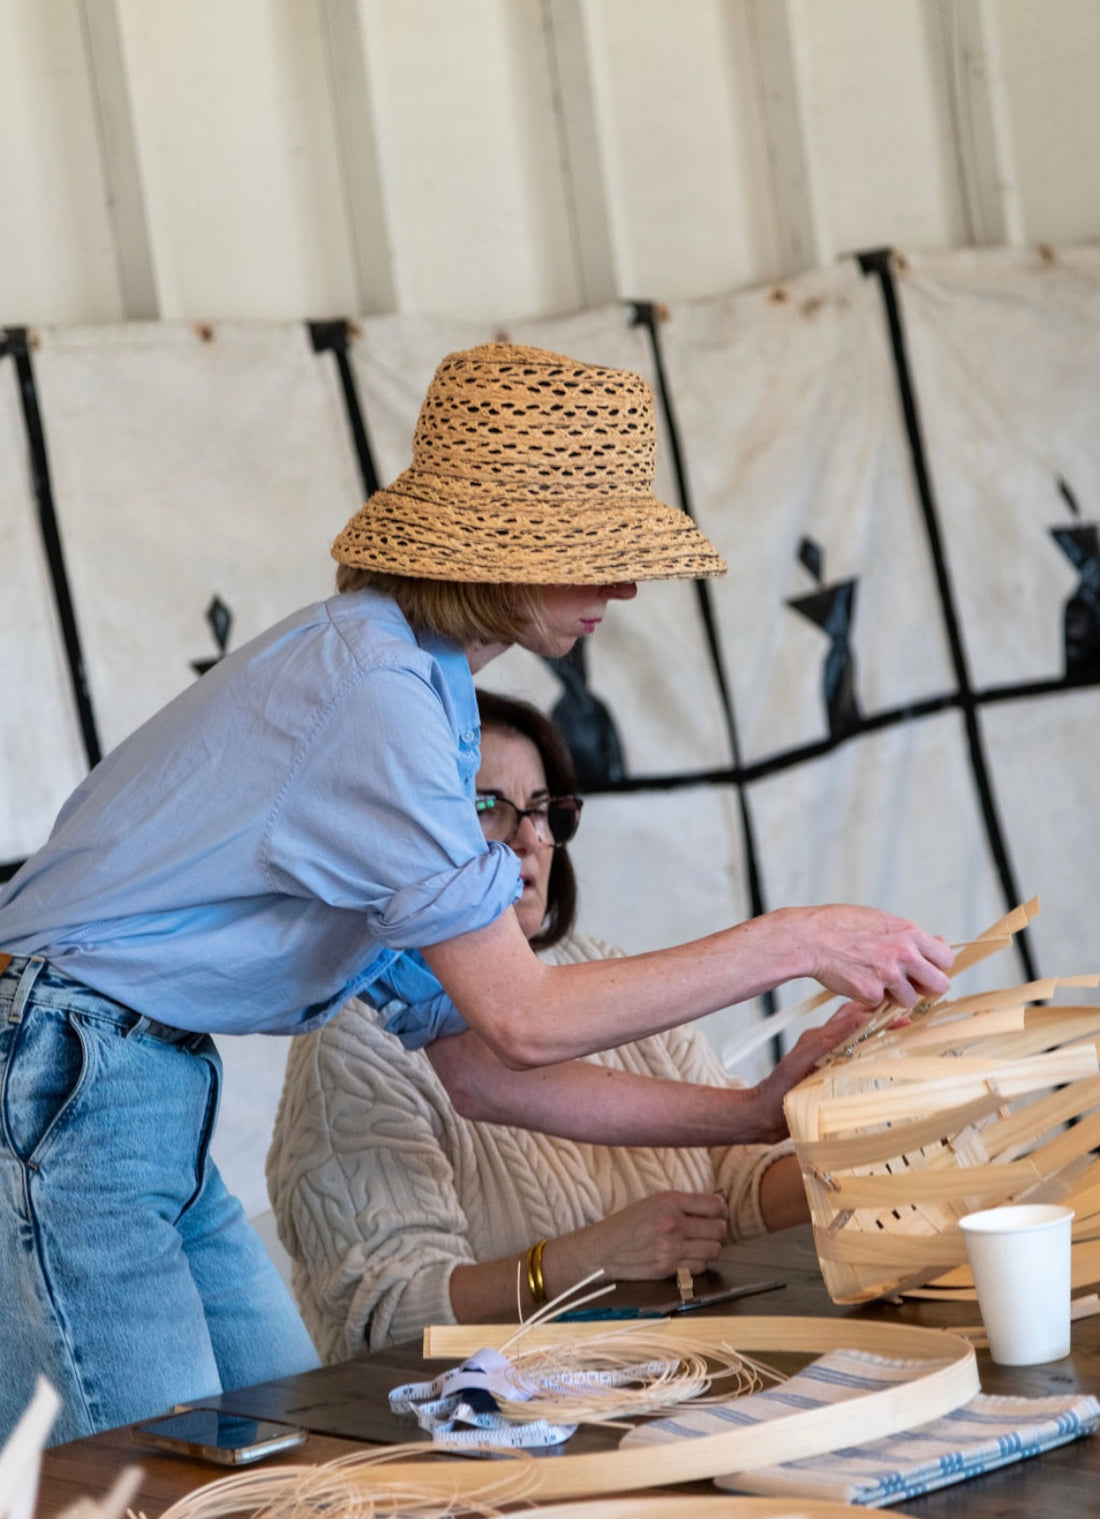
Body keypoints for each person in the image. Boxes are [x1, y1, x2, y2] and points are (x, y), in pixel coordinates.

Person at [0, 342, 952, 1444]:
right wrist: (794, 935)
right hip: (74, 1063)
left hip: (133, 1070)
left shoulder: (423, 685)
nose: (623, 587)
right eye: (593, 553)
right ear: (502, 548)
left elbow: (482, 1065)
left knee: (282, 1448)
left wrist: (744, 1115)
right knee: (139, 1487)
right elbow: (525, 1016)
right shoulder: (377, 686)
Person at [269, 690, 865, 1359]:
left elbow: (735, 1177)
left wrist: (859, 1167)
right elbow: (385, 1317)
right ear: (413, 833)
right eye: (486, 807)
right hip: (482, 1438)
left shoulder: (600, 969)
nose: (528, 839)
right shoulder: (359, 1036)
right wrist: (583, 1258)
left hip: (670, 1378)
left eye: (543, 810)